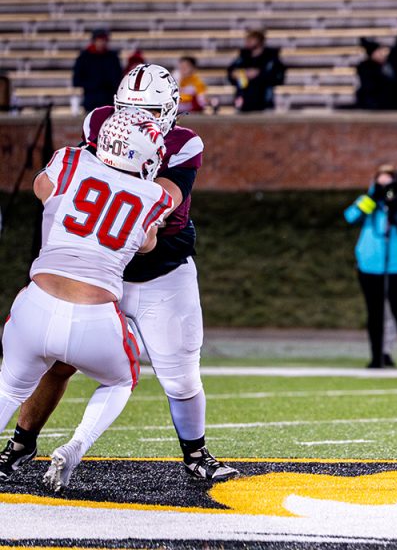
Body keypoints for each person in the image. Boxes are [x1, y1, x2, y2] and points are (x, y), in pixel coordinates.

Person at [0, 66, 239, 485]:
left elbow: (162, 201)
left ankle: (196, 452)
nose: (130, 118)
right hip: (101, 269)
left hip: (161, 273)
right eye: (126, 109)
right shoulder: (98, 121)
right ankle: (21, 442)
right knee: (56, 363)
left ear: (167, 111)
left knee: (180, 375)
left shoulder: (182, 144)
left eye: (143, 110)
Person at [0, 109, 169, 491]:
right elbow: (147, 243)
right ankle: (76, 445)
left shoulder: (69, 159)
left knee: (9, 388)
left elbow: (41, 189)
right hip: (95, 320)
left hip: (36, 305)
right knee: (121, 381)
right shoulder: (155, 195)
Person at [344, 164, 397, 369]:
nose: (385, 189)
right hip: (370, 265)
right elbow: (350, 217)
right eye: (381, 184)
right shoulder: (369, 203)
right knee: (375, 313)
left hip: (396, 266)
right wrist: (372, 199)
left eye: (389, 184)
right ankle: (376, 357)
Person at [227, 29, 285, 113]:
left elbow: (278, 78)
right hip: (244, 102)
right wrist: (236, 74)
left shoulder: (270, 58)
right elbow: (231, 72)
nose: (247, 42)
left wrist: (258, 74)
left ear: (259, 41)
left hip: (263, 101)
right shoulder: (243, 57)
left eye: (251, 39)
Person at [72, 29, 123, 112]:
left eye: (104, 40)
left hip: (109, 101)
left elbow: (118, 78)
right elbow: (77, 80)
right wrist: (94, 84)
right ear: (94, 41)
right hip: (91, 101)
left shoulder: (112, 57)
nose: (101, 43)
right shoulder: (84, 58)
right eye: (99, 40)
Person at [355, 39, 397, 111]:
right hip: (372, 106)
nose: (382, 54)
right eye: (379, 52)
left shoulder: (385, 66)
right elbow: (369, 90)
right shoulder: (366, 68)